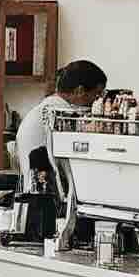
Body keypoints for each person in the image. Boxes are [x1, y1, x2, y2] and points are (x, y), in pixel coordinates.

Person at [16, 58, 107, 189]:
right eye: (97, 95)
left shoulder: (43, 109)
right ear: (79, 91)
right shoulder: (63, 117)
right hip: (48, 197)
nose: (98, 102)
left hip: (33, 191)